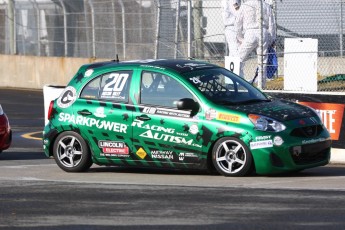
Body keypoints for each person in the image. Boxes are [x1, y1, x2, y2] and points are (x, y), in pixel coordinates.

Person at [235, 0, 271, 88]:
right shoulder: (266, 5)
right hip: (263, 31)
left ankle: (237, 81)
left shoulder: (245, 5)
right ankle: (261, 84)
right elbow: (271, 24)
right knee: (263, 60)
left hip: (250, 32)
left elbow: (238, 23)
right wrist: (271, 38)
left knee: (239, 57)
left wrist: (240, 37)